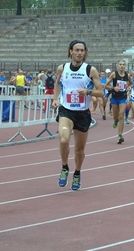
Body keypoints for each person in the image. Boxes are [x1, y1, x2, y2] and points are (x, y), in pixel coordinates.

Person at [52, 39, 103, 191]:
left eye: (82, 50)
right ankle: (64, 167)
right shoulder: (62, 68)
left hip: (82, 113)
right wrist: (55, 99)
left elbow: (100, 92)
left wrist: (88, 92)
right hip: (66, 111)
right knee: (63, 140)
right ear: (71, 52)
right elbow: (57, 84)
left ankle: (77, 172)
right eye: (77, 50)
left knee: (79, 150)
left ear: (85, 53)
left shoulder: (90, 70)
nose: (80, 53)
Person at [105, 60, 132, 144]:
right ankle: (115, 121)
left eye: (123, 64)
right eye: (120, 64)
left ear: (125, 66)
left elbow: (131, 84)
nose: (122, 66)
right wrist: (113, 88)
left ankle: (120, 135)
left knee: (121, 115)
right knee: (116, 116)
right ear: (118, 66)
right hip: (114, 97)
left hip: (123, 97)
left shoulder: (127, 75)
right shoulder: (114, 74)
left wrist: (130, 87)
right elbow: (106, 85)